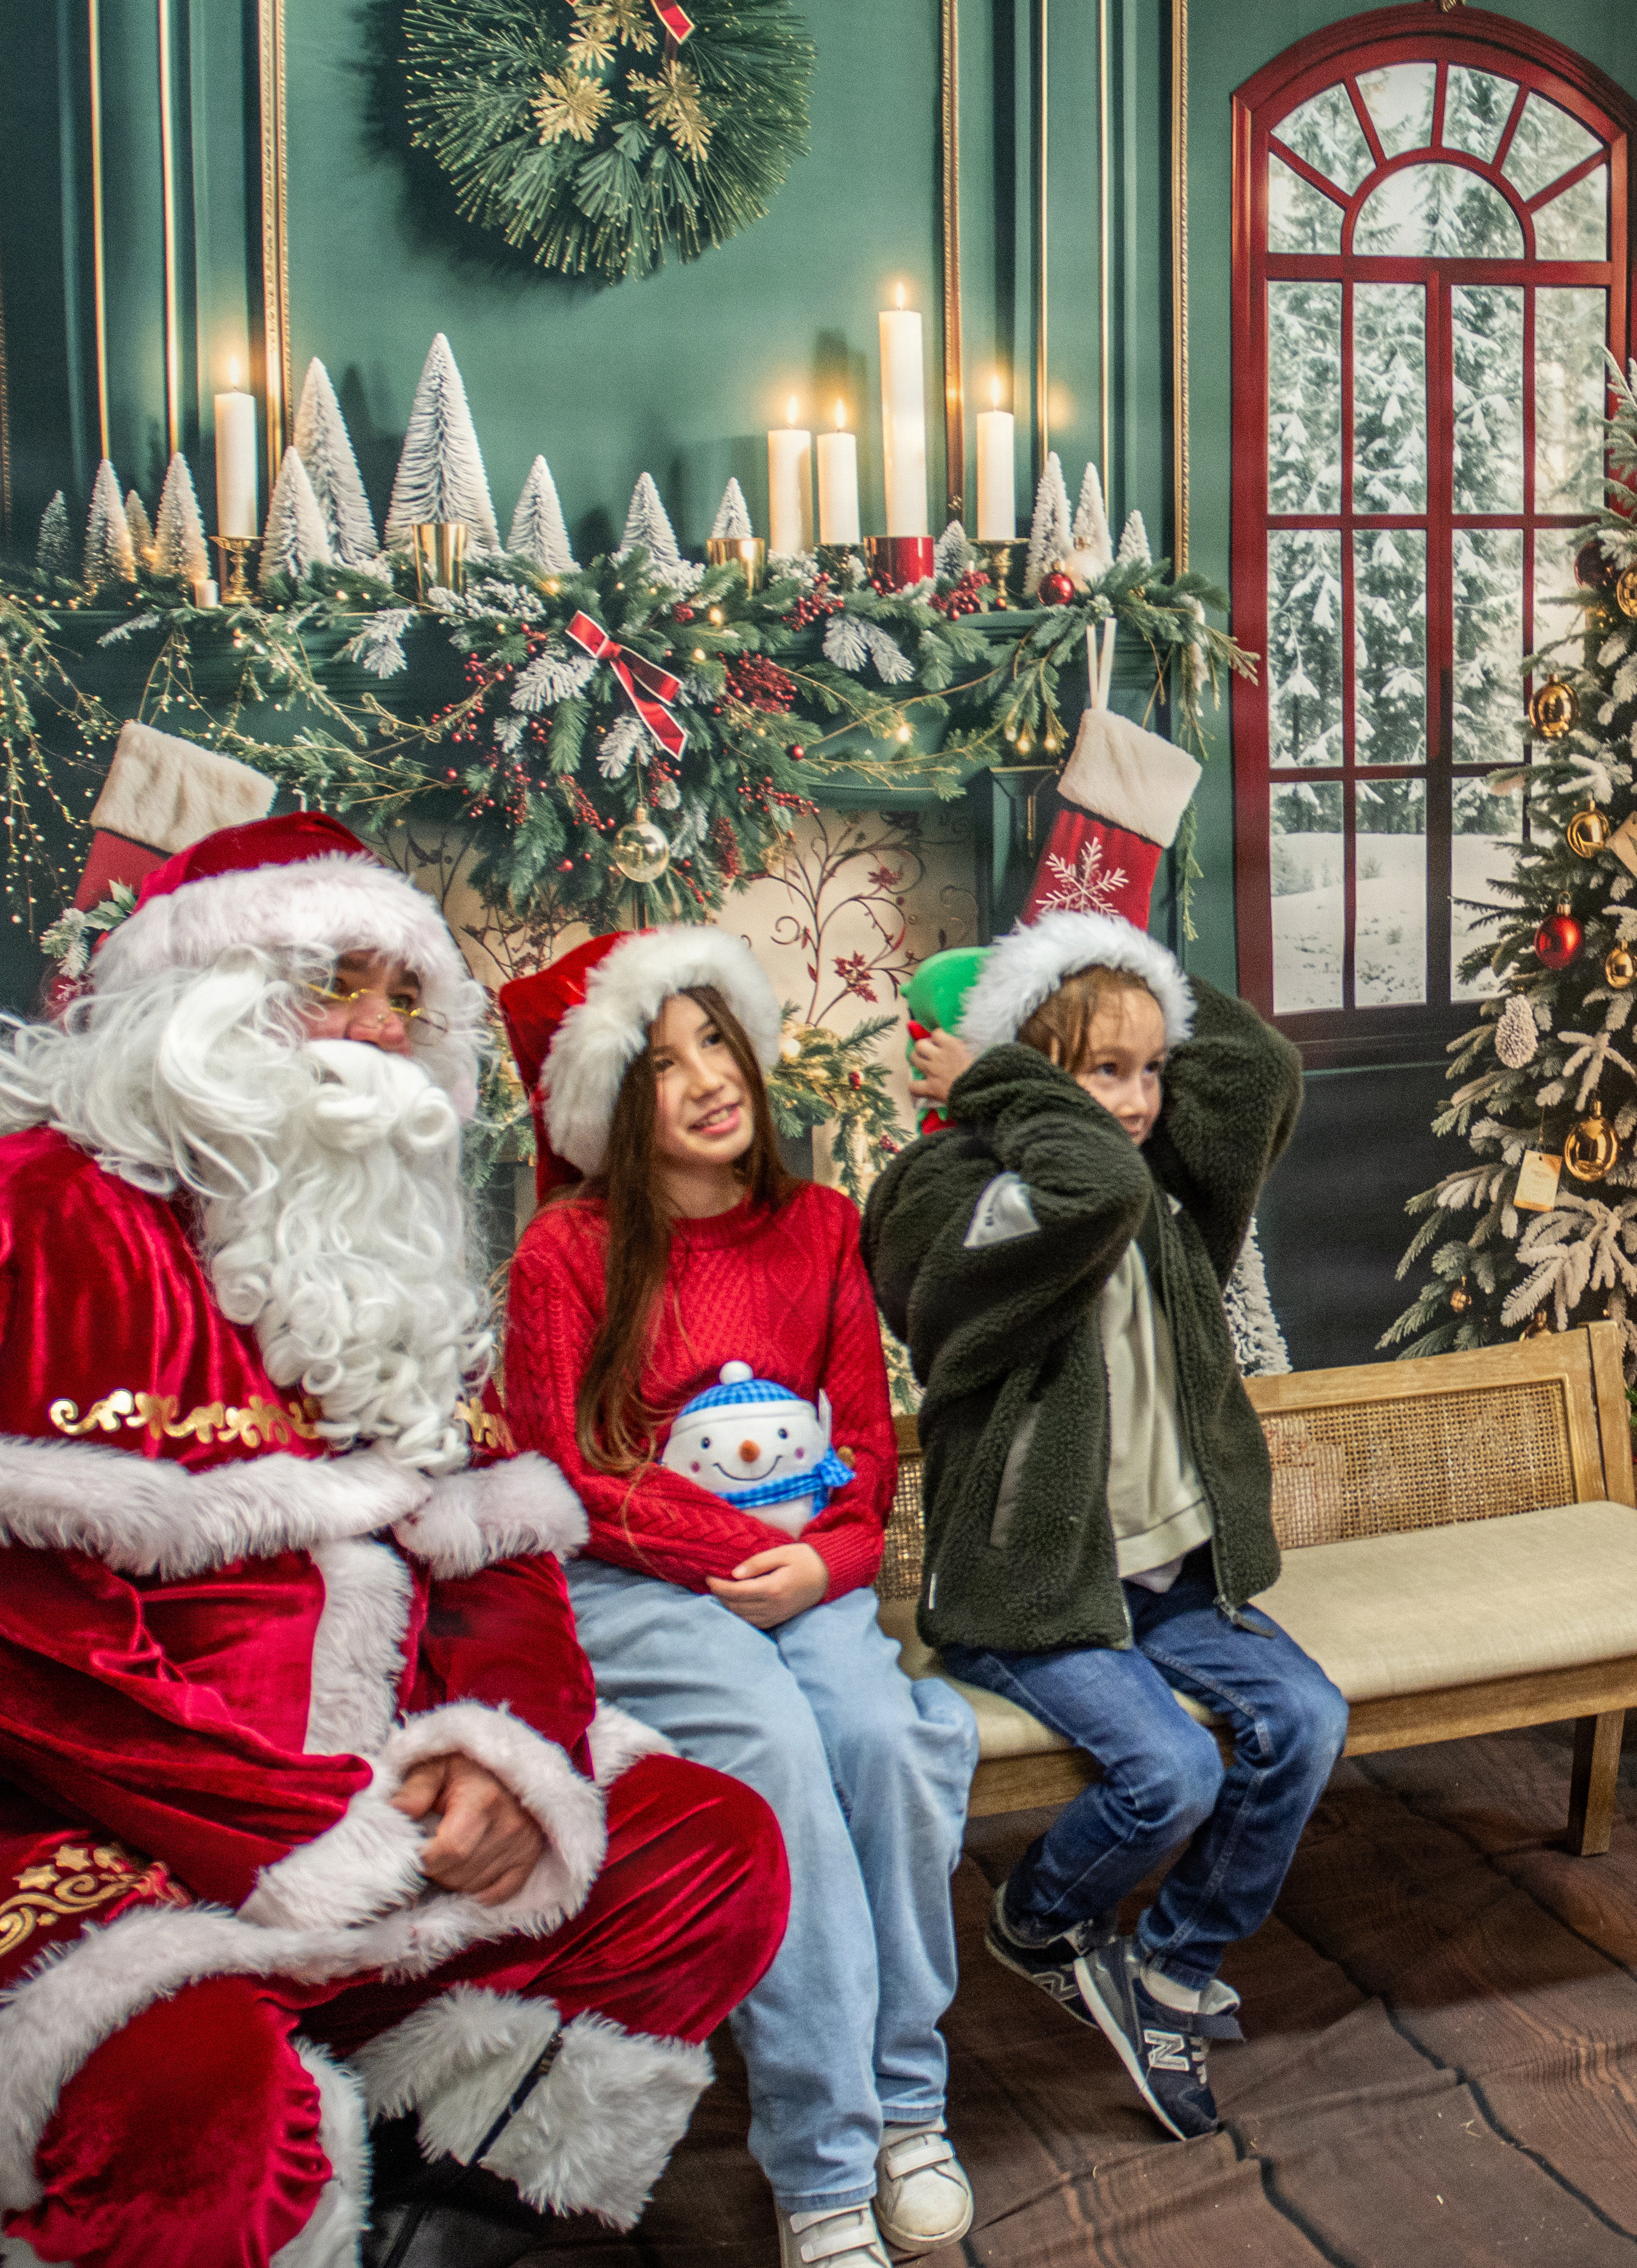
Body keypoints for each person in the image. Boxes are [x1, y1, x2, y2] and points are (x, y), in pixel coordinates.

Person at [0, 813, 791, 2268]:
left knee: (707, 1849)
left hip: (353, 1803)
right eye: (338, 981)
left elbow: (492, 1565)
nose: (379, 1030)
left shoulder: (371, 1255)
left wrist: (494, 1758)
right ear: (206, 994)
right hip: (16, 1814)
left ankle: (441, 2228)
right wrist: (312, 1832)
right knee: (197, 2089)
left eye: (407, 998)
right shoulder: (23, 1214)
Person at [497, 928, 983, 2268]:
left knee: (883, 1743)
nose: (710, 1078)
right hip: (644, 1586)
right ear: (606, 1101)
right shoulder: (564, 1255)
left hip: (802, 1578)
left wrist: (826, 1565)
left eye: (717, 1039)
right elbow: (573, 1473)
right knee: (771, 1752)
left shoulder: (820, 1226)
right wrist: (728, 1562)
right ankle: (822, 2165)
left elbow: (868, 1448)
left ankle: (907, 2106)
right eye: (662, 1064)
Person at [859, 908, 1334, 2144]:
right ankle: (1033, 1925)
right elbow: (1085, 1184)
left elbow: (1259, 1074)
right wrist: (1006, 1076)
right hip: (1028, 1588)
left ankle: (1170, 1967)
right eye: (1098, 1070)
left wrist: (1122, 952)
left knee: (1301, 1720)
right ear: (1010, 1068)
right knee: (1168, 1775)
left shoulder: (1173, 1204)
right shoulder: (945, 1193)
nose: (1134, 1102)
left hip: (1167, 1577)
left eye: (1146, 1070)